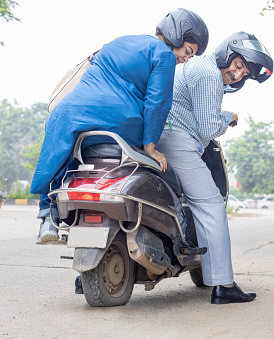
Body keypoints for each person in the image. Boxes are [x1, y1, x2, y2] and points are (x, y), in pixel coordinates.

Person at [30, 8, 209, 244]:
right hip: (120, 124)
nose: (186, 59)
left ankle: (46, 216)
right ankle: (173, 232)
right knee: (162, 170)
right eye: (187, 51)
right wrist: (151, 146)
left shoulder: (118, 41)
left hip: (69, 115)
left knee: (63, 158)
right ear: (175, 35)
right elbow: (157, 103)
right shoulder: (163, 55)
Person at [156, 32, 274, 304]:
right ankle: (224, 285)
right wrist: (228, 117)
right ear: (227, 54)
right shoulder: (208, 73)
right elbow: (208, 128)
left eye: (244, 72)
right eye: (238, 65)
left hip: (163, 137)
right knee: (210, 204)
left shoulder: (196, 67)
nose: (238, 74)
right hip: (177, 141)